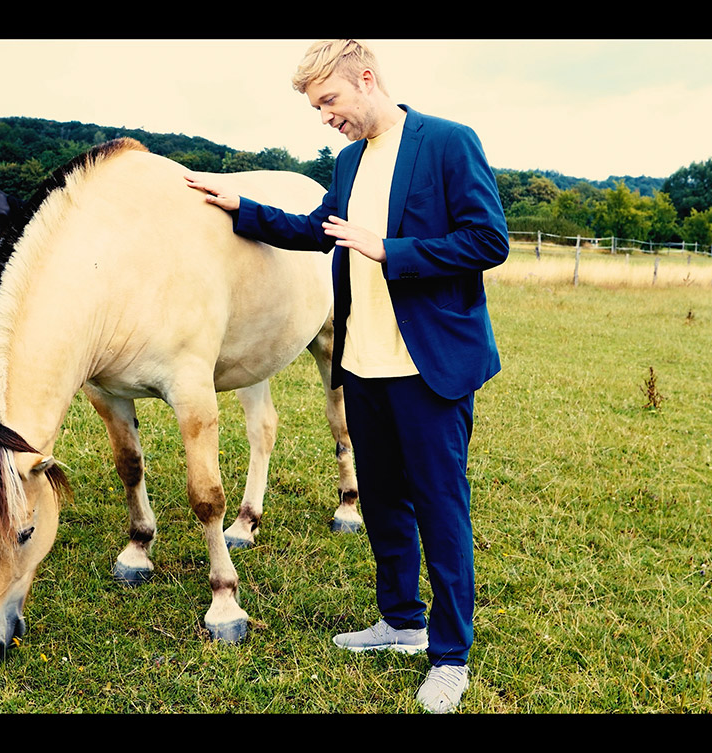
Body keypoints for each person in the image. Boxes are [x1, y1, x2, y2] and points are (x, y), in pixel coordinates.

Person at [185, 39, 508, 713]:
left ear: (366, 79)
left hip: (428, 369)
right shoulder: (349, 161)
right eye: (316, 107)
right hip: (360, 366)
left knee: (441, 511)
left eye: (329, 101)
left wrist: (390, 249)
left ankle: (450, 655)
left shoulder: (450, 143)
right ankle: (401, 620)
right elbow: (315, 229)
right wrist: (238, 205)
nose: (325, 116)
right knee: (384, 500)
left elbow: (488, 240)